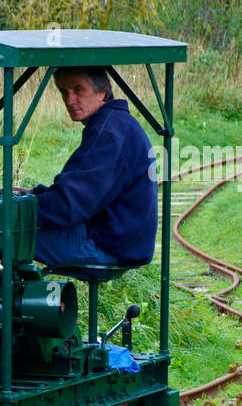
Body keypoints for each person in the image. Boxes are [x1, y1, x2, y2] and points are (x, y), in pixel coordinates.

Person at [26, 67, 157, 268]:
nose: (70, 101)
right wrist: (33, 196)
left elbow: (71, 203)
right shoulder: (115, 123)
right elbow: (80, 191)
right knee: (9, 230)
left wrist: (16, 210)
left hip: (110, 248)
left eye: (78, 90)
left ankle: (4, 297)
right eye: (64, 92)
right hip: (118, 238)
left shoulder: (109, 132)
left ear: (102, 92)